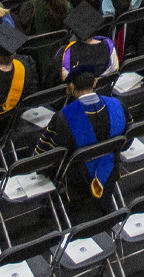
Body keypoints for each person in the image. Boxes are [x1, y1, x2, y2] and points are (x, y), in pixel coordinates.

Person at [37, 66, 128, 207]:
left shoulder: (64, 117)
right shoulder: (117, 104)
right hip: (111, 171)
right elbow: (126, 143)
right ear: (95, 82)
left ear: (72, 86)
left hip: (78, 182)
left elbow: (46, 156)